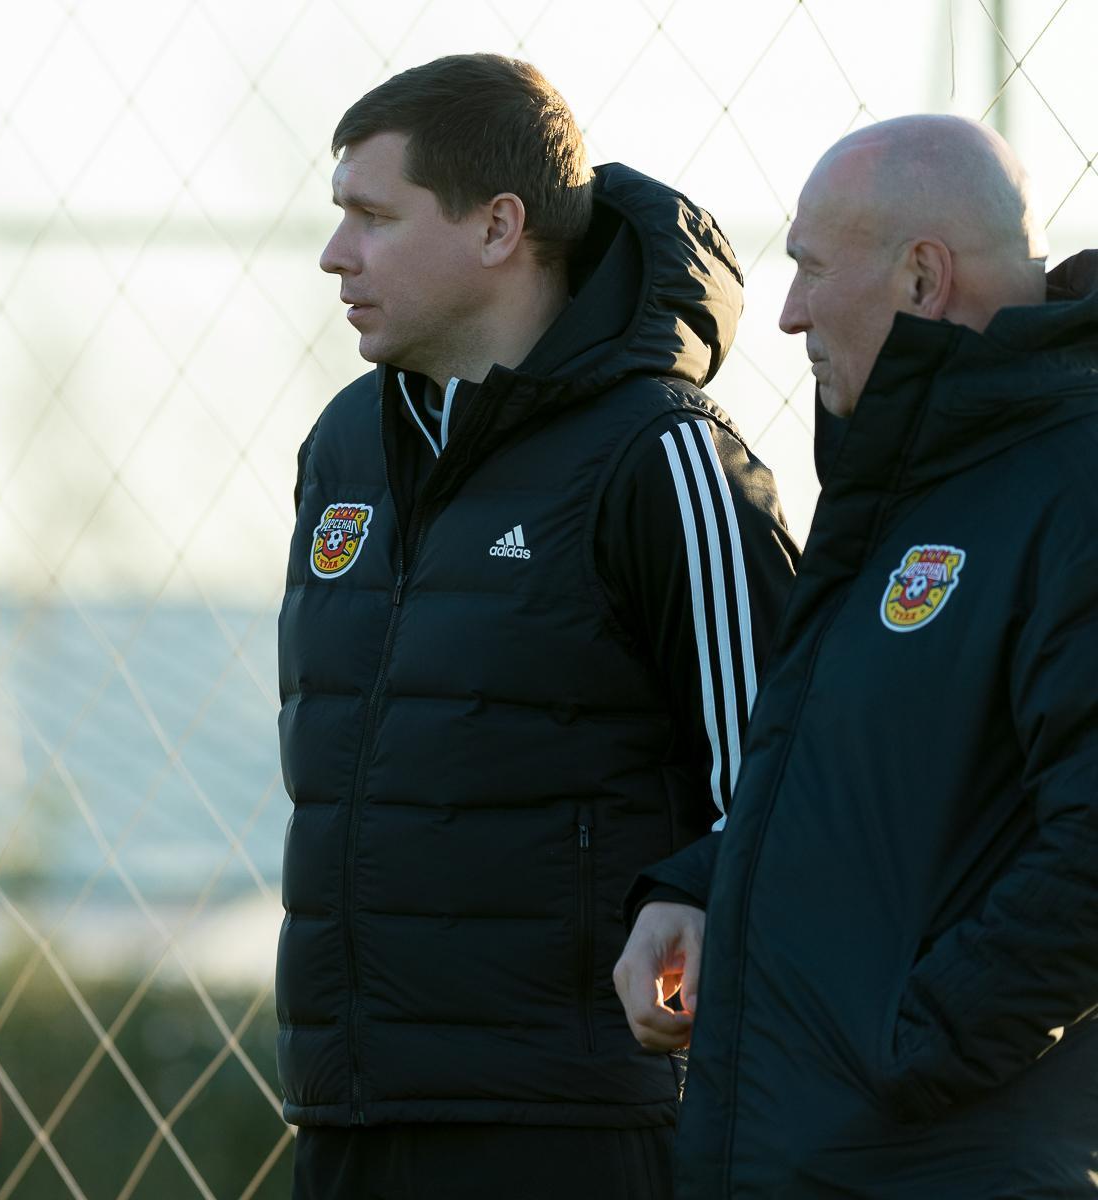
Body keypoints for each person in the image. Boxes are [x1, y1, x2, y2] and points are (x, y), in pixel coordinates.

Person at [275, 53, 797, 1199]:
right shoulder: (345, 448)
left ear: (499, 226)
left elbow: (782, 779)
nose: (336, 253)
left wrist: (693, 903)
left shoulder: (663, 457)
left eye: (374, 216)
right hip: (352, 1109)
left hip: (576, 1122)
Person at [615, 115, 1098, 1197]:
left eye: (811, 269)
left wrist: (914, 1046)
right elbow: (870, 795)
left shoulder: (1072, 481)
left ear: (923, 278)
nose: (788, 313)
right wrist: (700, 892)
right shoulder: (906, 486)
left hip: (941, 1161)